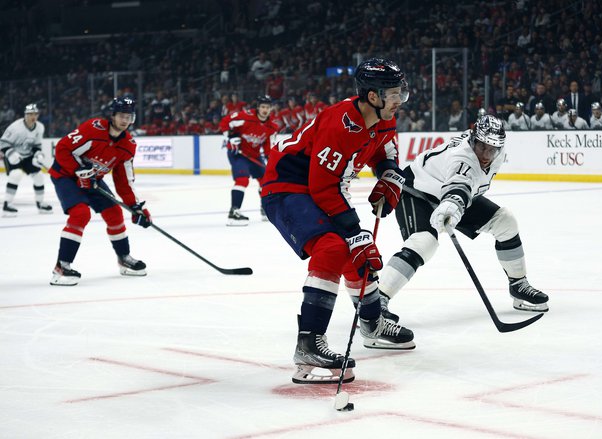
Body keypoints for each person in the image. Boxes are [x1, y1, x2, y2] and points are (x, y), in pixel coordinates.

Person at [261, 58, 416, 384]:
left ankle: (372, 323)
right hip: (287, 187)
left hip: (316, 186)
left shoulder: (384, 116)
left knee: (355, 250)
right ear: (372, 96)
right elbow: (323, 187)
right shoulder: (339, 125)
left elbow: (386, 148)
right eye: (393, 93)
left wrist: (389, 175)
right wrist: (356, 232)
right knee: (334, 246)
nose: (399, 99)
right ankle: (308, 344)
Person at [377, 115, 548, 327]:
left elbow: (465, 187)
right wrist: (453, 205)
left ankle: (518, 285)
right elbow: (459, 184)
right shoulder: (463, 157)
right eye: (482, 147)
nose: (485, 155)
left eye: (491, 149)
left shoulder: (497, 153)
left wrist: (455, 202)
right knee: (424, 243)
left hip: (451, 193)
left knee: (505, 222)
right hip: (418, 191)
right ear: (473, 140)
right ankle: (375, 302)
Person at [48, 96, 151, 286]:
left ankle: (124, 258)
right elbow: (62, 148)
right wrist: (77, 170)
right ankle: (61, 267)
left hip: (92, 180)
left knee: (115, 213)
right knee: (80, 213)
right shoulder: (93, 128)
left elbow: (124, 181)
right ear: (112, 115)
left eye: (129, 117)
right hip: (66, 175)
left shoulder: (128, 145)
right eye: (121, 115)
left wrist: (135, 207)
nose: (125, 120)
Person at [219, 95, 278, 226]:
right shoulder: (245, 117)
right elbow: (225, 122)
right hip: (238, 153)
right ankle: (233, 213)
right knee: (242, 180)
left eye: (267, 107)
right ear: (258, 107)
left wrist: (270, 161)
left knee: (265, 181)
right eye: (262, 107)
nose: (265, 110)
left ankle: (265, 210)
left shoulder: (272, 127)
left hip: (254, 156)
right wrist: (230, 136)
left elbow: (268, 147)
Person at [1, 103, 52, 216]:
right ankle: (7, 205)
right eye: (30, 114)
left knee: (39, 177)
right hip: (13, 155)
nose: (32, 116)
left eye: (35, 114)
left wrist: (38, 155)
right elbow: (3, 143)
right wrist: (10, 154)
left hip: (27, 155)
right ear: (25, 115)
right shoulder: (15, 127)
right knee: (16, 174)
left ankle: (40, 204)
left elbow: (36, 145)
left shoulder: (40, 127)